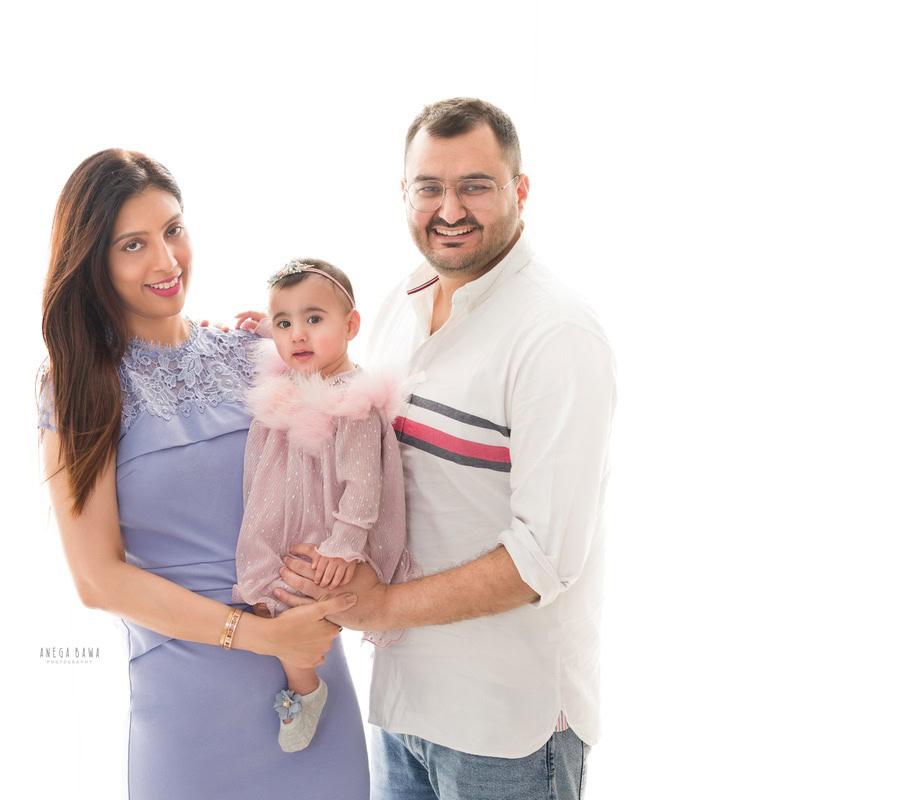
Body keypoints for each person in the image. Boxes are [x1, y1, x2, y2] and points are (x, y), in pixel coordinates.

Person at [272, 98, 617, 799]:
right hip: (403, 702)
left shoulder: (557, 337)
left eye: (476, 186)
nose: (449, 208)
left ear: (520, 191)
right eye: (429, 187)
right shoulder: (403, 297)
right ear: (404, 194)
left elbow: (542, 558)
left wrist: (377, 609)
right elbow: (358, 440)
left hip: (507, 728)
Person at [37, 149, 370, 799]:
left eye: (173, 229)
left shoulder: (257, 355)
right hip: (193, 710)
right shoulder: (79, 387)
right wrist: (263, 635)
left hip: (309, 681)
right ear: (94, 261)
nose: (166, 261)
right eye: (133, 244)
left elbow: (357, 457)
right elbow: (96, 579)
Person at [231, 258, 421, 753]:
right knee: (266, 588)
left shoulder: (350, 401)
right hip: (287, 509)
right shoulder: (295, 374)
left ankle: (305, 689)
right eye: (285, 323)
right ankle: (301, 678)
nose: (298, 335)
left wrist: (344, 544)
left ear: (350, 325)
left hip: (329, 526)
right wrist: (262, 328)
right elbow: (282, 343)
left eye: (314, 320)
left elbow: (362, 485)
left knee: (294, 595)